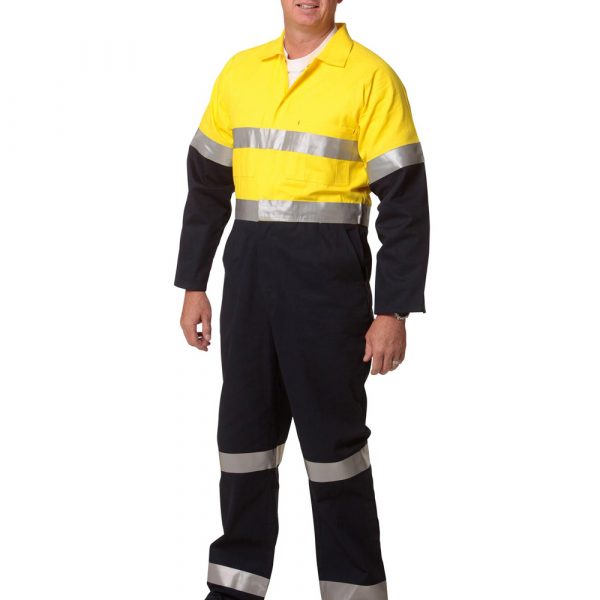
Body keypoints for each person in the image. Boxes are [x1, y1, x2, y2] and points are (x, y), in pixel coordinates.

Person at [174, 1, 430, 599]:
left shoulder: (371, 77)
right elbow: (207, 187)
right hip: (248, 285)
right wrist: (193, 285)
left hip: (328, 291)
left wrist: (392, 310)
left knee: (334, 451)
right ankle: (233, 590)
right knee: (243, 443)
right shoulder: (240, 72)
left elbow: (406, 204)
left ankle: (354, 592)